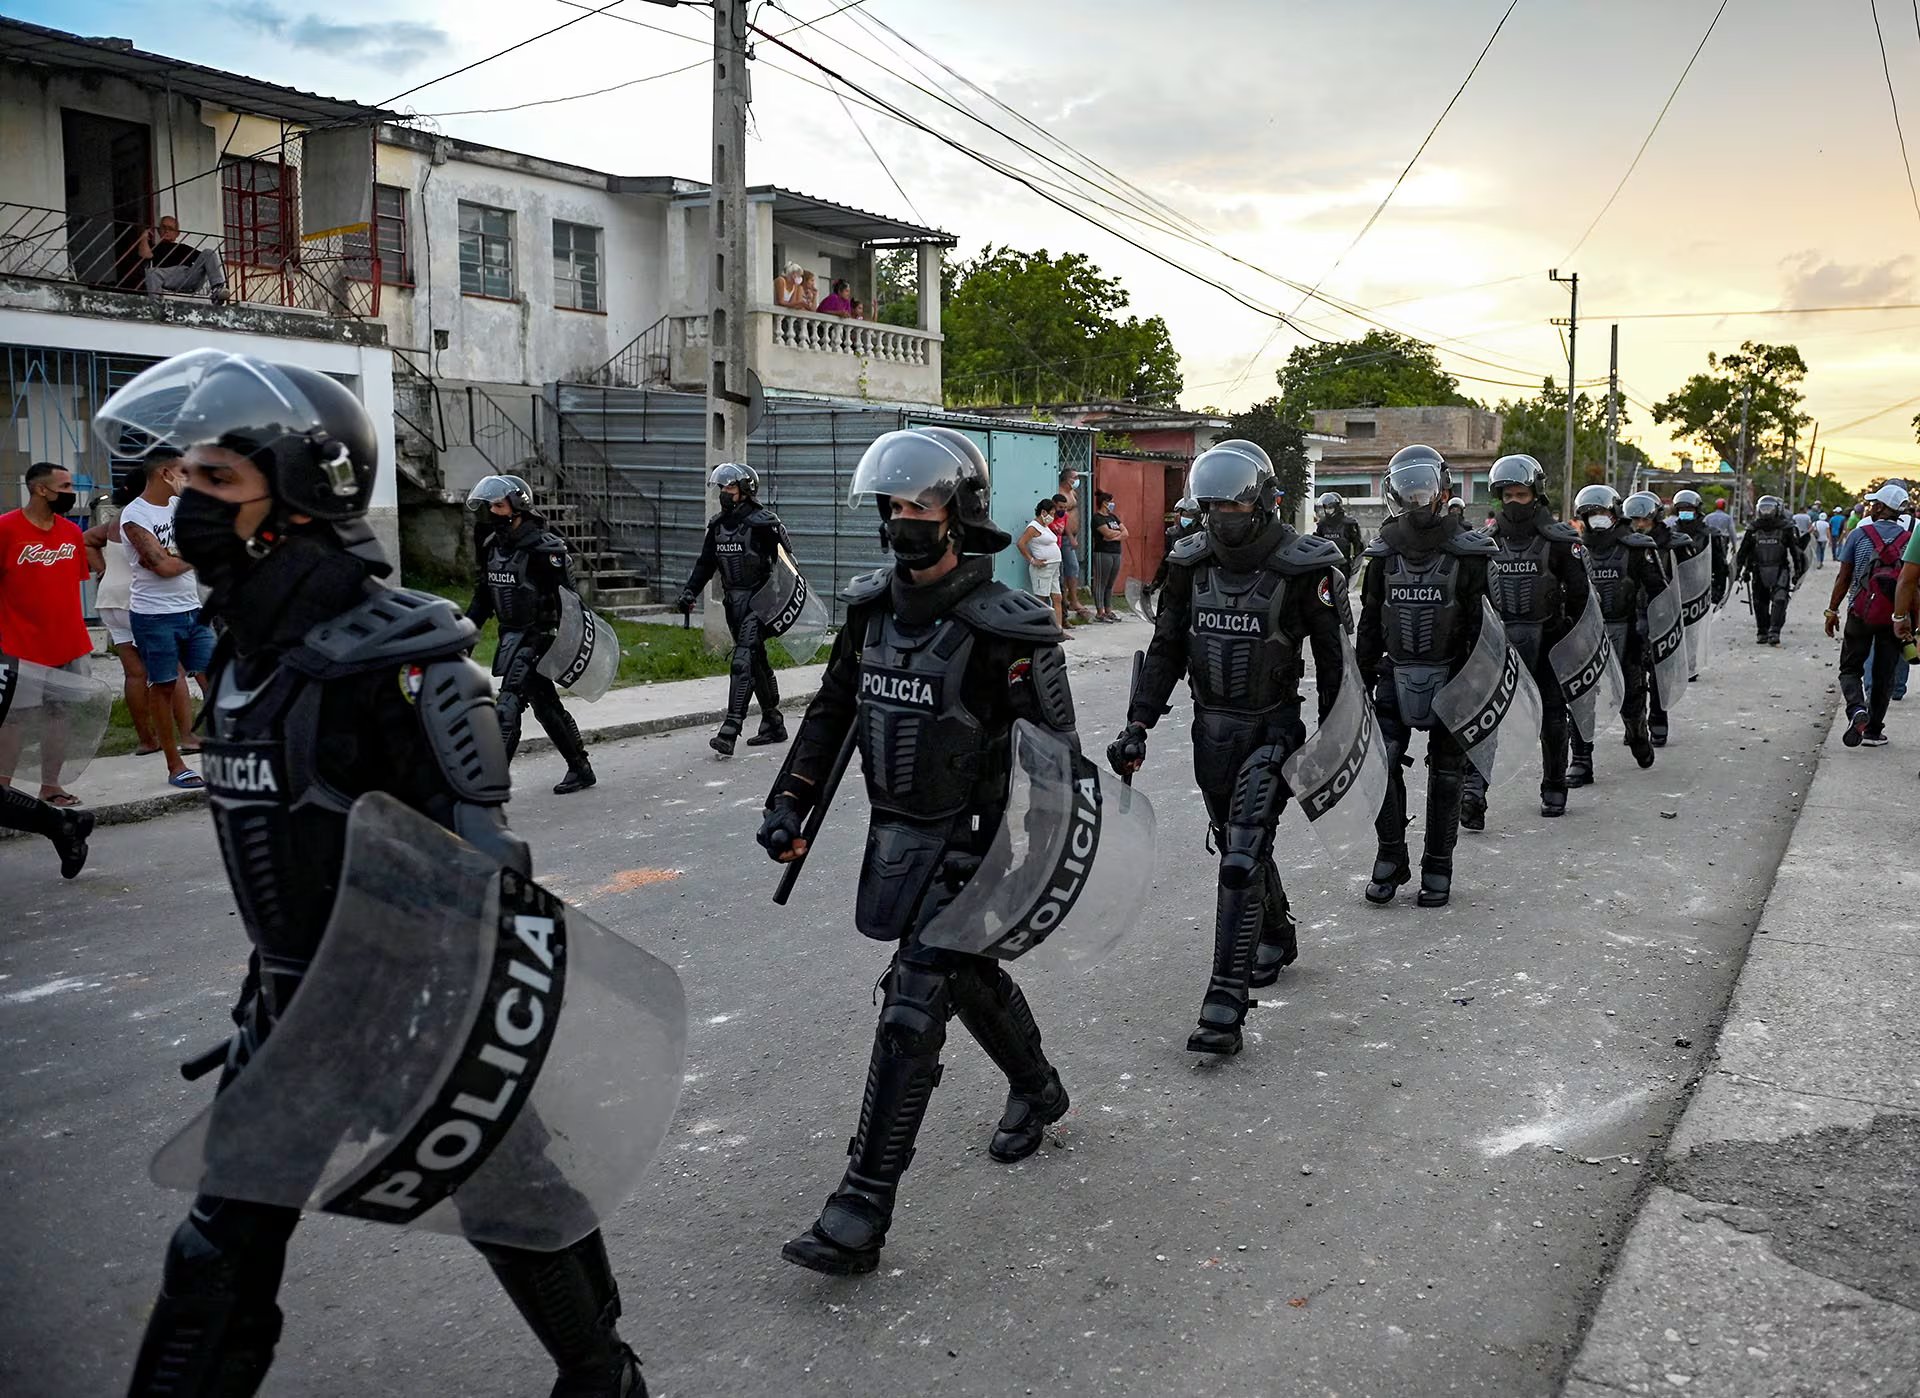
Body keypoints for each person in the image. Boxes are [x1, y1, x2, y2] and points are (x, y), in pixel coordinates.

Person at [100, 350, 648, 1397]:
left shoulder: (404, 659)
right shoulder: (249, 650)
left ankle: (603, 1377)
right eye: (186, 479)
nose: (185, 503)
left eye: (217, 482)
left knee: (516, 1205)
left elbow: (485, 868)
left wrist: (450, 1021)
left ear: (299, 495)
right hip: (288, 1013)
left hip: (418, 1015)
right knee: (216, 1259)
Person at [758, 425, 1078, 1276]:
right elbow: (831, 714)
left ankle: (861, 1204)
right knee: (961, 976)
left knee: (914, 999)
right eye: (895, 505)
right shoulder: (869, 612)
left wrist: (1042, 869)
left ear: (960, 514)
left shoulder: (1009, 627)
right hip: (896, 833)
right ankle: (1039, 1086)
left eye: (923, 505)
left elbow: (1058, 763)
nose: (906, 519)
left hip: (979, 843)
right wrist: (789, 800)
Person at [1107, 442, 1347, 1055]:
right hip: (1208, 735)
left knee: (1239, 855)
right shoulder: (1190, 564)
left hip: (1272, 729)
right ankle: (1275, 932)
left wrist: (1334, 737)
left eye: (1237, 500)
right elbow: (1164, 651)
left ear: (1265, 500)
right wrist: (1137, 724)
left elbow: (1334, 663)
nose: (1225, 513)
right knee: (1241, 842)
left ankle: (1224, 1004)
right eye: (1214, 502)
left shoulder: (1303, 565)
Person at [1355, 445, 1494, 907]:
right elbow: (1372, 621)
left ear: (1442, 491)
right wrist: (1356, 681)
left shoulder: (1470, 553)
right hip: (1394, 673)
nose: (1416, 499)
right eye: (1408, 490)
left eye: (1423, 489)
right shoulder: (1383, 555)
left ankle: (1439, 865)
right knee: (1383, 761)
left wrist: (1477, 688)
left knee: (1447, 775)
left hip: (1452, 676)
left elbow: (1482, 629)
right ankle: (1390, 856)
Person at [1459, 454, 1589, 826]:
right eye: (1508, 495)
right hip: (1498, 646)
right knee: (1485, 720)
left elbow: (1581, 598)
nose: (1514, 502)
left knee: (1551, 717)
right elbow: (1471, 598)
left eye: (1521, 494)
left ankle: (1553, 785)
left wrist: (1572, 643)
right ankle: (1473, 794)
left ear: (1536, 493)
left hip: (1548, 640)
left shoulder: (1560, 541)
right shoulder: (1482, 543)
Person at [465, 475, 597, 791]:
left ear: (518, 506)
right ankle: (581, 768)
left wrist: (567, 647)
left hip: (540, 636)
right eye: (489, 506)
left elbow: (570, 603)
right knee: (545, 706)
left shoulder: (545, 550)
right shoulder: (491, 548)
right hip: (510, 637)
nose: (492, 513)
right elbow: (483, 597)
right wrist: (465, 636)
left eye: (498, 505)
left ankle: (489, 785)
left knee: (508, 703)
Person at [0, 460, 97, 874]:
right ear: (41, 490)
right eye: (65, 485)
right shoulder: (5, 529)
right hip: (17, 642)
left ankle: (51, 786)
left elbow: (72, 580)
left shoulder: (71, 533)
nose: (71, 491)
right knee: (16, 719)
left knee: (60, 714)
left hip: (67, 639)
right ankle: (3, 792)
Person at [676, 463, 792, 755]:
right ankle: (773, 722)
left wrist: (779, 602)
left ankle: (730, 729)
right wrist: (690, 591)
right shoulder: (718, 526)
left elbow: (788, 566)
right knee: (756, 663)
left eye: (729, 487)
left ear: (745, 490)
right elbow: (705, 564)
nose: (723, 493)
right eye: (721, 488)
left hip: (760, 603)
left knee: (741, 661)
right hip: (734, 605)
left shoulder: (764, 523)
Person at [121, 451, 215, 790]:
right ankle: (175, 765)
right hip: (154, 615)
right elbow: (161, 566)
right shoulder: (134, 514)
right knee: (162, 686)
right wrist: (182, 555)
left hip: (193, 608)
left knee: (217, 677)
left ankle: (227, 749)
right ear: (165, 473)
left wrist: (180, 555)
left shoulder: (180, 506)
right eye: (184, 472)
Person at [1568, 484, 1663, 783]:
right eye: (1590, 514)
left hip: (1628, 631)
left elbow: (1658, 592)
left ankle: (1638, 734)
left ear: (1615, 514)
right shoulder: (1573, 549)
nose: (1596, 518)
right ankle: (1581, 760)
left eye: (1602, 513)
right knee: (1582, 698)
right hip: (1586, 632)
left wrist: (1648, 625)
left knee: (1631, 696)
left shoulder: (1636, 548)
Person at [1827, 483, 1912, 747]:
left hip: (1859, 613)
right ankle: (1874, 731)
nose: (1871, 507)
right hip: (1893, 617)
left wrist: (1832, 610)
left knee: (1850, 668)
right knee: (1884, 674)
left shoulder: (1858, 534)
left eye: (1875, 503)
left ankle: (1856, 710)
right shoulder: (1909, 540)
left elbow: (1844, 578)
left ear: (1880, 507)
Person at [1735, 495, 1806, 646]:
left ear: (1777, 510)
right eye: (1764, 508)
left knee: (1780, 599)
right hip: (1758, 569)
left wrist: (1798, 571)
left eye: (1769, 509)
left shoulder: (1786, 528)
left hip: (1780, 568)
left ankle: (1774, 632)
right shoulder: (1752, 529)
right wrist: (1740, 570)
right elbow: (1743, 552)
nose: (1766, 512)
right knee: (1760, 602)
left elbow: (1795, 551)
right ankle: (1762, 631)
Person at [137, 215, 229, 305]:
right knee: (151, 273)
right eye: (163, 227)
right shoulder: (155, 247)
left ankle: (217, 289)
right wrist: (144, 237)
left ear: (177, 233)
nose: (166, 231)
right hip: (168, 277)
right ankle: (156, 304)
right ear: (158, 230)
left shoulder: (183, 248)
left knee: (208, 252)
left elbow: (206, 259)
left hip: (187, 276)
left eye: (170, 228)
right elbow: (145, 255)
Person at [1670, 488, 1730, 608]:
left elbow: (1720, 568)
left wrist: (1717, 594)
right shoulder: (1670, 535)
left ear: (1697, 510)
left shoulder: (1710, 535)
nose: (1685, 512)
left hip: (1702, 590)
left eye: (1689, 509)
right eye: (1682, 509)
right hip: (1676, 591)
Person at [1018, 498, 1067, 631]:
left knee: (1057, 597)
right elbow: (1021, 543)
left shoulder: (1045, 527)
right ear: (1043, 512)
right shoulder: (1033, 527)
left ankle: (1058, 628)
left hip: (1054, 567)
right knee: (1041, 599)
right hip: (1043, 568)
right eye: (1051, 513)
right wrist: (1033, 560)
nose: (1053, 516)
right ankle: (1039, 628)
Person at [1056, 467, 1095, 624]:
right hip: (1065, 537)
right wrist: (1070, 536)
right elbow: (1061, 518)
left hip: (1073, 535)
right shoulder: (1060, 493)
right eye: (1075, 477)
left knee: (1071, 569)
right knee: (1071, 568)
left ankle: (1070, 598)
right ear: (1067, 479)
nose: (1077, 479)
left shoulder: (1073, 493)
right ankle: (1071, 599)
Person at [1090, 489, 1127, 621]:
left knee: (1110, 583)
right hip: (1103, 552)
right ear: (1104, 503)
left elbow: (1125, 533)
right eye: (1110, 502)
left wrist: (1114, 536)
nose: (1112, 504)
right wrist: (1116, 534)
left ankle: (1108, 610)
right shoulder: (1097, 518)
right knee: (1101, 582)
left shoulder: (1113, 517)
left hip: (1115, 551)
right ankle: (1100, 612)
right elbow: (1107, 533)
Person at [1313, 491, 1365, 568]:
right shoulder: (1322, 524)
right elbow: (1317, 542)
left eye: (1330, 507)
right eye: (1326, 507)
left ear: (1337, 507)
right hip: (1325, 564)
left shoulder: (1349, 523)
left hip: (1343, 564)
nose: (1328, 510)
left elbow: (1358, 544)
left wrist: (1355, 562)